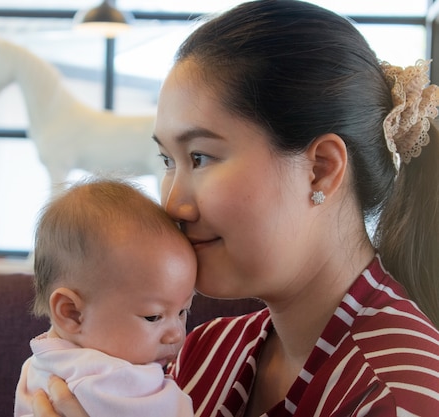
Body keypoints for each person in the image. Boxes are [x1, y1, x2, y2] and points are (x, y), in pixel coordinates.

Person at [31, 1, 439, 416]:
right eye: (168, 162)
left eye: (201, 157)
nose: (172, 203)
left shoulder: (398, 397)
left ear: (320, 169)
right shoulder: (203, 350)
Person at [14, 177, 196, 417]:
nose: (177, 334)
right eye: (153, 317)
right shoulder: (114, 380)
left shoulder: (36, 366)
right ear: (72, 313)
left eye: (183, 311)